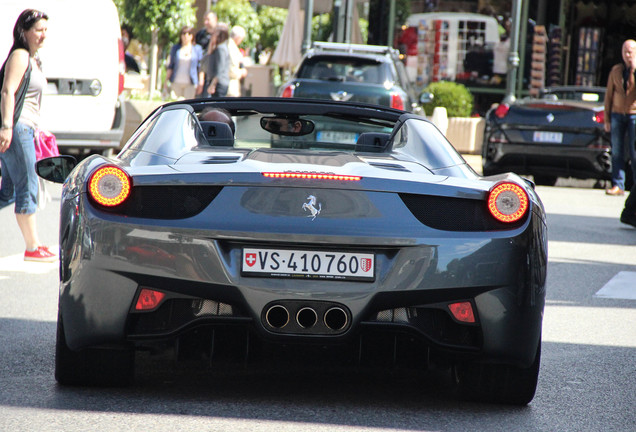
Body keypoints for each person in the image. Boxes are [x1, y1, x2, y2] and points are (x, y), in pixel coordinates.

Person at [0, 9, 56, 262]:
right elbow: (7, 91)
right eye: (38, 30)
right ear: (24, 31)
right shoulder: (21, 55)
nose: (43, 35)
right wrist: (6, 127)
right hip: (17, 127)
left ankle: (33, 245)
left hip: (26, 128)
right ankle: (33, 247)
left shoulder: (33, 58)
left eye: (45, 30)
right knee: (28, 185)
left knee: (9, 191)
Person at [604, 39, 636, 196]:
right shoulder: (616, 70)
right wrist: (607, 118)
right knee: (617, 151)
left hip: (634, 114)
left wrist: (634, 69)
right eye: (625, 51)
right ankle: (618, 185)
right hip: (617, 113)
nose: (627, 55)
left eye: (630, 51)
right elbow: (609, 95)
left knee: (634, 151)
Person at [165, 26, 204, 99]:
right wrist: (166, 81)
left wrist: (201, 83)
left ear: (192, 36)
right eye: (184, 33)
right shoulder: (175, 48)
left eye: (189, 33)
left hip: (191, 83)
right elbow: (171, 66)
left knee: (188, 106)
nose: (186, 36)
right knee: (175, 106)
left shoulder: (197, 49)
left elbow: (200, 67)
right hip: (176, 81)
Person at [204, 24, 230, 98]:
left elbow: (220, 69)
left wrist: (213, 84)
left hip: (219, 83)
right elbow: (208, 58)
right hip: (217, 82)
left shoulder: (221, 48)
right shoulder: (219, 47)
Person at [227, 25, 248, 97]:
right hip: (230, 86)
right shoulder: (231, 47)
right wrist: (241, 72)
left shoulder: (231, 46)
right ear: (238, 37)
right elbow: (231, 69)